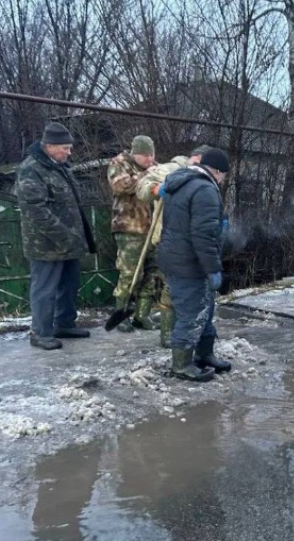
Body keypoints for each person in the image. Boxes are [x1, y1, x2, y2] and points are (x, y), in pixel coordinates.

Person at [16, 122, 96, 350]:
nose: (69, 152)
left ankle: (64, 323)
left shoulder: (60, 166)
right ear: (49, 146)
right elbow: (35, 211)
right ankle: (40, 332)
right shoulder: (31, 169)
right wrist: (65, 235)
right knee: (45, 288)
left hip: (69, 241)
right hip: (46, 244)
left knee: (69, 285)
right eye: (65, 148)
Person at [157, 148, 233, 382]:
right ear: (218, 171)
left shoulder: (182, 182)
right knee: (192, 313)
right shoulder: (205, 189)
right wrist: (213, 268)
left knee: (206, 308)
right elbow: (203, 236)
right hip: (188, 262)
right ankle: (181, 365)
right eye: (224, 175)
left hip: (176, 256)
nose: (222, 180)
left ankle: (204, 354)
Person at [136, 145, 212, 348]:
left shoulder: (202, 176)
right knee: (172, 290)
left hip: (188, 241)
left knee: (187, 291)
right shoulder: (171, 169)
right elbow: (142, 187)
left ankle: (186, 334)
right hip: (168, 238)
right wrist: (156, 189)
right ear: (195, 158)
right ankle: (169, 336)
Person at [107, 135, 159, 332]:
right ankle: (121, 315)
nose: (149, 159)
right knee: (130, 273)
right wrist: (145, 175)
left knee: (151, 273)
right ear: (135, 153)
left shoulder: (154, 166)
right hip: (129, 227)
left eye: (152, 155)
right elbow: (120, 187)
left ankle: (141, 315)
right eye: (145, 155)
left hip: (151, 228)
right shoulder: (119, 163)